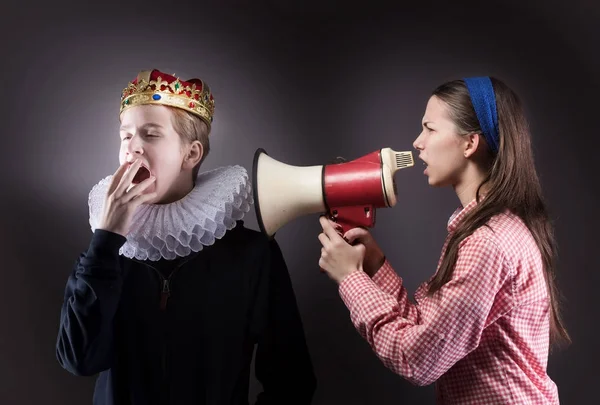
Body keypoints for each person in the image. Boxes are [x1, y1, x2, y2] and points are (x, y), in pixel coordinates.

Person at [56, 69, 316, 405]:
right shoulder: (106, 254)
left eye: (150, 135)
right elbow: (78, 359)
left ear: (190, 154)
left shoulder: (252, 254)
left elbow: (292, 382)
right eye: (126, 136)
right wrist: (106, 239)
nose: (132, 149)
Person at [316, 76, 570, 404]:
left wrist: (351, 279)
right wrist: (375, 265)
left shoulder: (487, 242)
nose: (418, 143)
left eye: (430, 129)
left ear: (469, 143)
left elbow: (418, 359)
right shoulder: (491, 228)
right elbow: (431, 332)